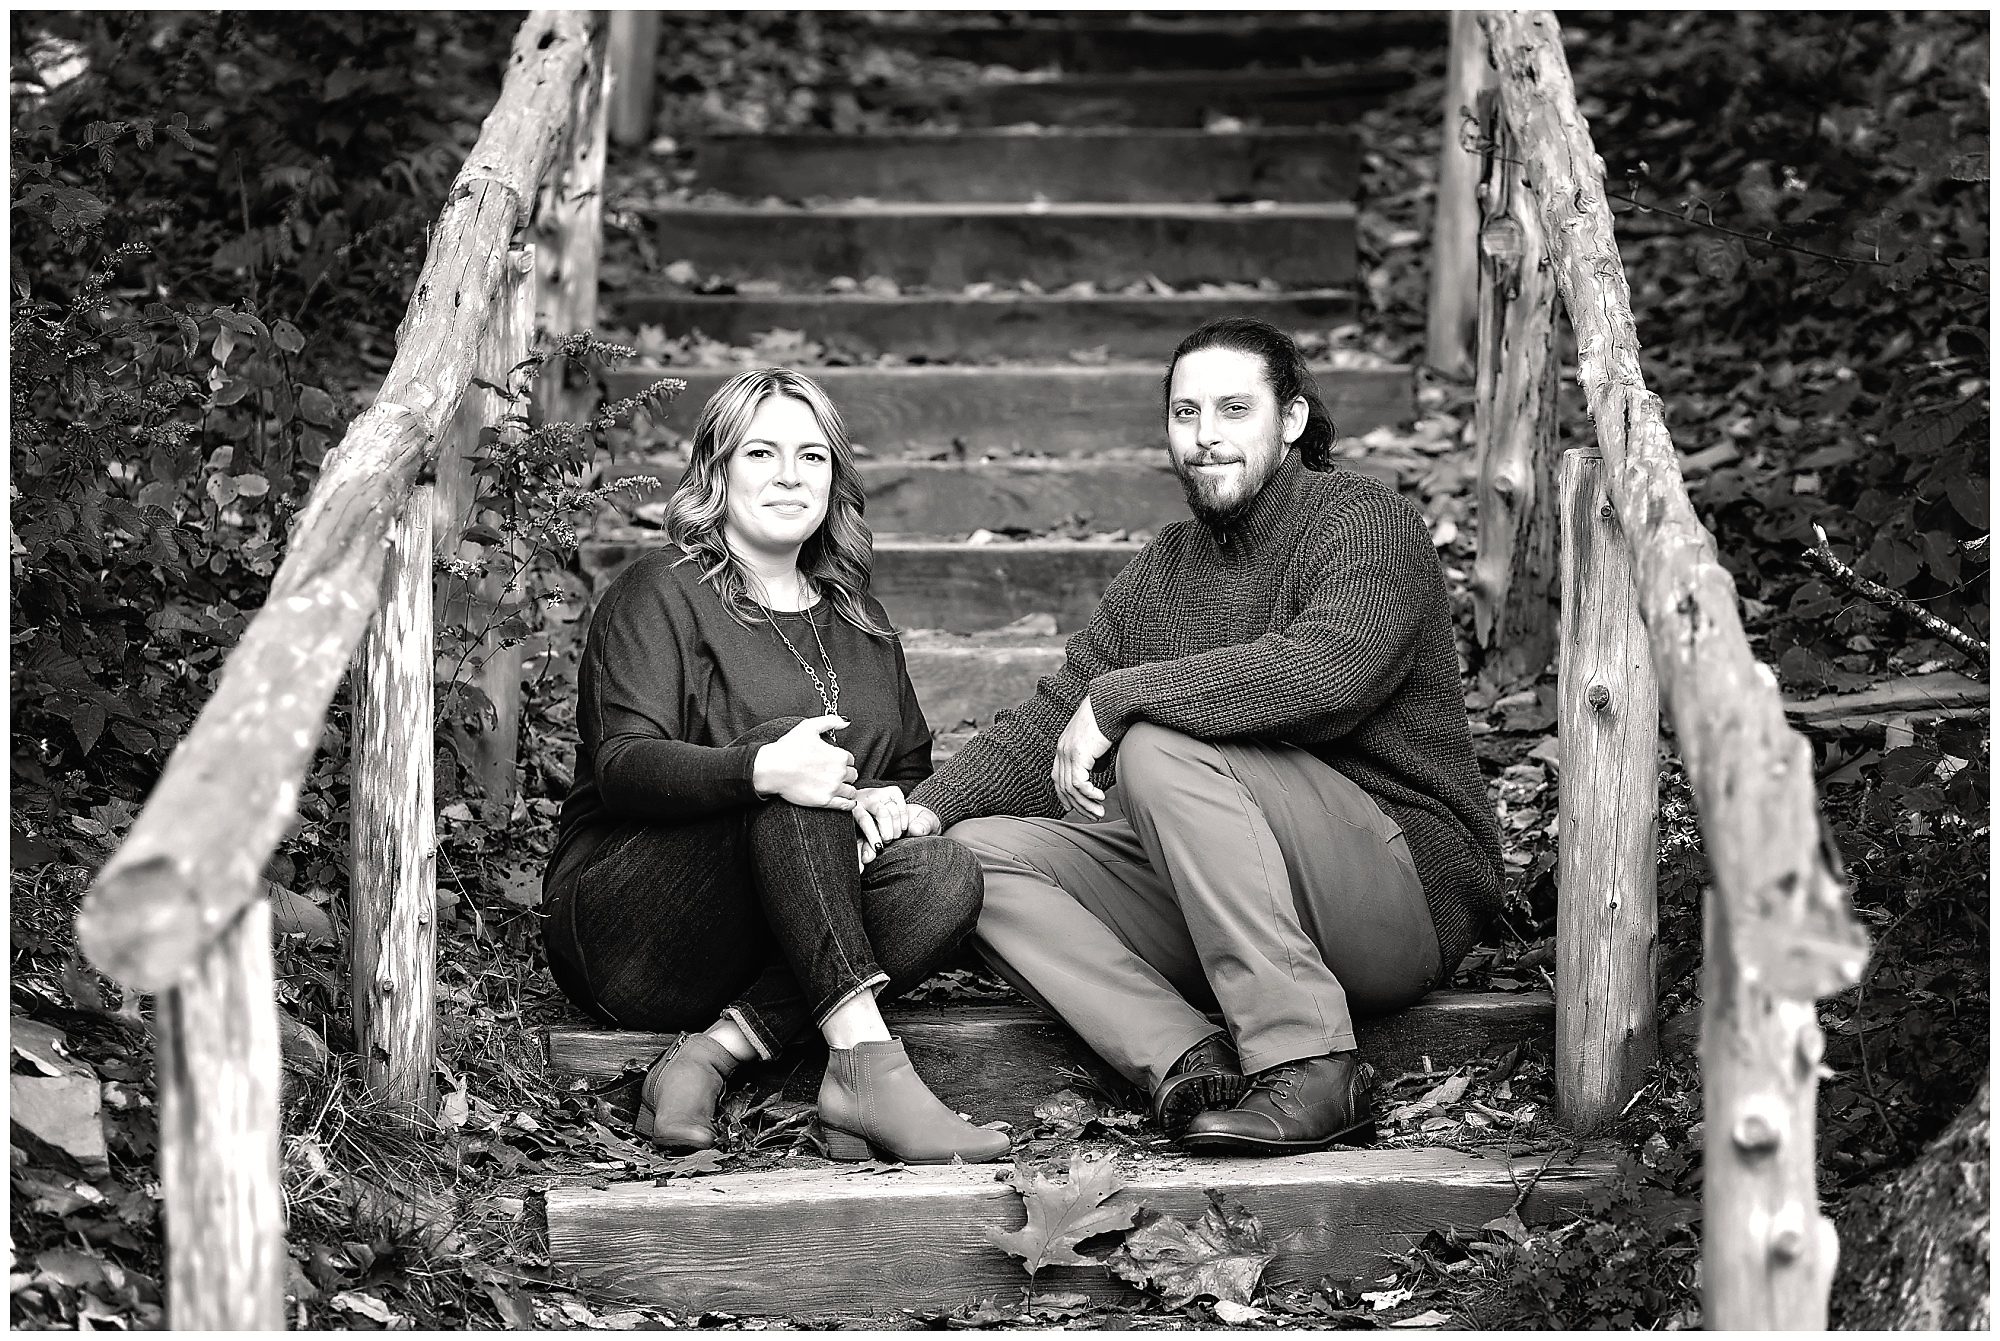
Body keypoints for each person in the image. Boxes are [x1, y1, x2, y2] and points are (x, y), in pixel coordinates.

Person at [897, 318, 1504, 1154]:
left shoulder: (1367, 521)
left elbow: (1327, 673)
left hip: (1396, 889)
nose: (1206, 436)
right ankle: (1189, 1059)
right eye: (1186, 413)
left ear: (1290, 420)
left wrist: (1122, 700)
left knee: (1151, 744)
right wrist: (925, 811)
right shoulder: (1166, 566)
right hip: (1233, 891)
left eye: (1232, 408)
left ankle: (1312, 1062)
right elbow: (1056, 714)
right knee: (975, 856)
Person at [540, 368, 1009, 1166]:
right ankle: (867, 1064)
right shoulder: (660, 591)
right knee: (800, 756)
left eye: (813, 457)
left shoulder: (860, 620)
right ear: (716, 473)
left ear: (836, 478)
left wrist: (886, 804)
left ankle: (714, 1051)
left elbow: (908, 767)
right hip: (635, 922)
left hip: (782, 939)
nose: (791, 475)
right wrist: (762, 768)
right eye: (762, 452)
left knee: (945, 875)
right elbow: (623, 764)